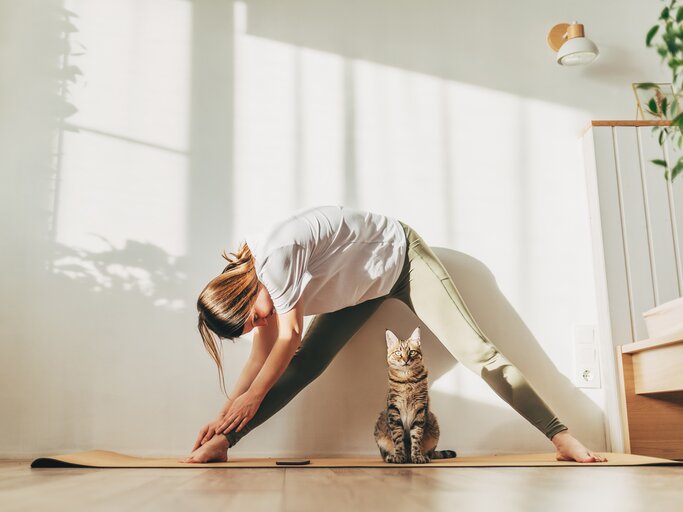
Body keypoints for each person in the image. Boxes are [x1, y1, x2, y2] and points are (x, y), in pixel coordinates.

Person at [182, 205, 606, 464]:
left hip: (401, 259)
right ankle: (223, 445)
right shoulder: (260, 288)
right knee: (303, 366)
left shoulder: (274, 258)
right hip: (359, 291)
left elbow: (287, 337)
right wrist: (224, 420)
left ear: (242, 291)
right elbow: (262, 358)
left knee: (477, 352)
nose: (259, 324)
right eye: (251, 326)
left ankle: (561, 436)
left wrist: (250, 398)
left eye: (252, 318)